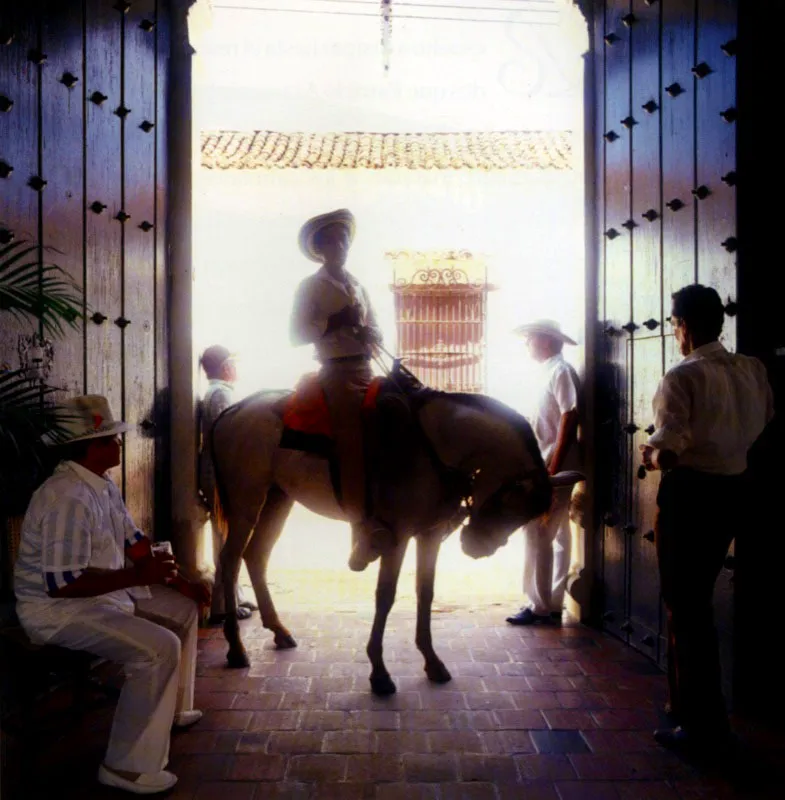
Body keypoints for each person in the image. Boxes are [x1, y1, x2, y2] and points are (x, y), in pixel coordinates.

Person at [13, 394, 209, 795]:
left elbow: (135, 542)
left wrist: (181, 582)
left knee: (184, 608)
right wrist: (139, 574)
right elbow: (62, 584)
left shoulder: (100, 484)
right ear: (87, 447)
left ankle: (168, 710)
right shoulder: (66, 495)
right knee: (159, 648)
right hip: (56, 612)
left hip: (98, 599)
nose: (118, 444)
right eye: (109, 439)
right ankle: (127, 768)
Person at [640, 284, 774, 755]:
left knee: (687, 607)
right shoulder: (752, 370)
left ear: (685, 326)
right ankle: (690, 709)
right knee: (696, 604)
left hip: (692, 497)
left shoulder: (683, 375)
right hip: (736, 491)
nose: (676, 333)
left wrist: (652, 455)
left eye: (675, 325)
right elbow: (763, 423)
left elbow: (670, 450)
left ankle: (703, 726)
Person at [289, 208, 394, 571]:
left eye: (344, 238)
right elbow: (296, 335)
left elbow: (376, 326)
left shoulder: (358, 284)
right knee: (352, 437)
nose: (340, 245)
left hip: (367, 367)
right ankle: (360, 528)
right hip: (336, 373)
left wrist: (371, 334)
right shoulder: (310, 286)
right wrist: (334, 322)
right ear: (319, 249)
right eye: (331, 240)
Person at [506, 319, 582, 626]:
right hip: (545, 462)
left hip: (553, 465)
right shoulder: (546, 371)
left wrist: (552, 468)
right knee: (557, 534)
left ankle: (540, 605)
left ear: (547, 342)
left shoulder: (561, 371)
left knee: (538, 530)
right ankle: (550, 603)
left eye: (530, 339)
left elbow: (569, 416)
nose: (526, 343)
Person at [197, 344, 256, 621]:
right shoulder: (220, 393)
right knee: (226, 538)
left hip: (220, 472)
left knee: (229, 536)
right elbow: (227, 437)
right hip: (222, 474)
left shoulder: (218, 392)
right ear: (225, 367)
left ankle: (234, 595)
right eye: (233, 362)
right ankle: (222, 605)